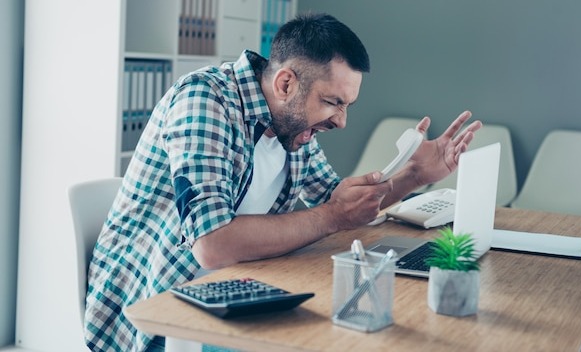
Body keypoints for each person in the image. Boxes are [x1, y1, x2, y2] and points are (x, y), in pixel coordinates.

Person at [84, 12, 482, 352]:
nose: (341, 121)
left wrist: (414, 176)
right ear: (286, 84)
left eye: (346, 105)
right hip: (160, 312)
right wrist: (332, 216)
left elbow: (341, 202)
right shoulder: (204, 101)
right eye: (332, 102)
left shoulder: (292, 127)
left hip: (239, 288)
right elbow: (212, 245)